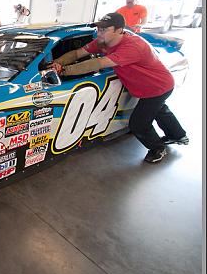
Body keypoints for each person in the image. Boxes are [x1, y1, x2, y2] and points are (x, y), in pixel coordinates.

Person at [48, 12, 188, 163]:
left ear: (119, 30)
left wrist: (64, 71)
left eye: (104, 29)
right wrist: (56, 63)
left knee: (139, 124)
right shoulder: (102, 41)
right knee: (160, 110)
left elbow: (99, 63)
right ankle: (178, 135)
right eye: (99, 28)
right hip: (147, 86)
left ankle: (157, 148)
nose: (99, 32)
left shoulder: (132, 46)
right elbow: (77, 53)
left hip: (157, 87)